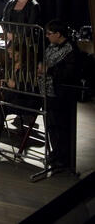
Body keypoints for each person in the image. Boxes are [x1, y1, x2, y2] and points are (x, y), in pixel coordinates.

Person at [43, 20, 81, 171]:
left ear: (58, 34)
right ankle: (56, 153)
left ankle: (63, 158)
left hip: (62, 94)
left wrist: (49, 70)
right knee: (52, 125)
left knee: (62, 127)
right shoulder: (52, 46)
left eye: (49, 34)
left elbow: (69, 74)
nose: (47, 36)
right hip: (49, 92)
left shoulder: (71, 50)